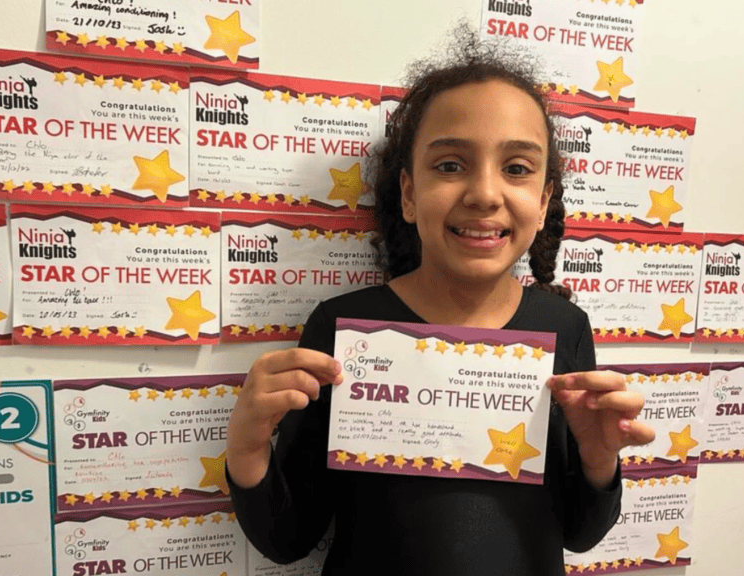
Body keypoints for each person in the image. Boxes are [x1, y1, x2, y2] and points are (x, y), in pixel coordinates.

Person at [225, 32, 655, 576]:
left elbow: (579, 532)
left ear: (545, 202)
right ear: (408, 193)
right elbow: (290, 538)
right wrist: (246, 450)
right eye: (450, 165)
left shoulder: (564, 328)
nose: (484, 193)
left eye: (517, 168)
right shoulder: (341, 330)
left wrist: (598, 463)